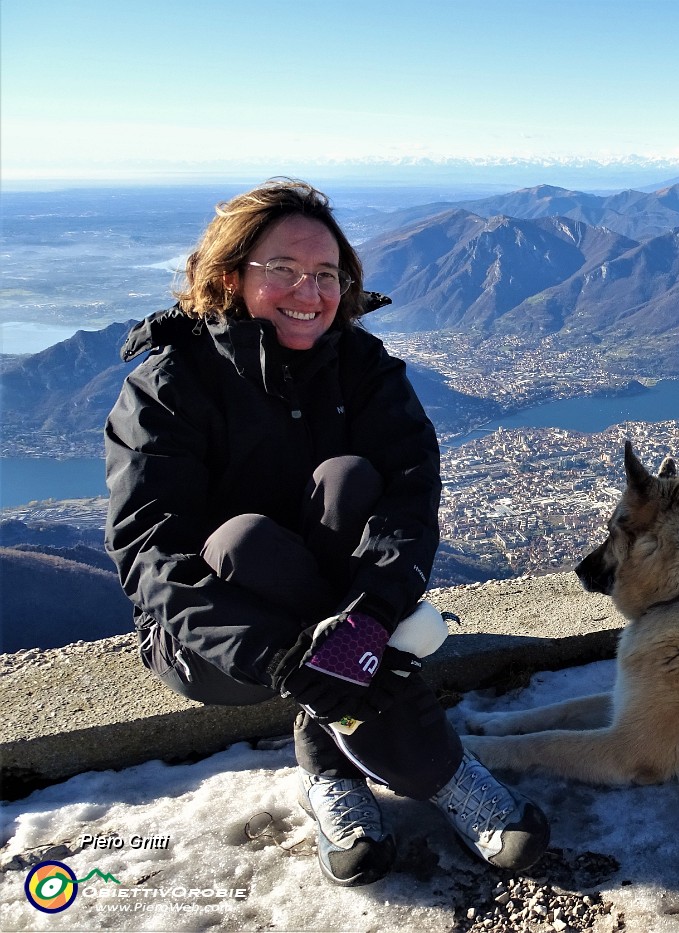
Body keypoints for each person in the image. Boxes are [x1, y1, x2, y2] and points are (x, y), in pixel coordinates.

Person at [104, 178, 549, 886]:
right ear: (230, 276)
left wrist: (369, 618)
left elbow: (410, 494)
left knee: (350, 479)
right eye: (281, 269)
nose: (308, 292)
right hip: (211, 646)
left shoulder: (361, 368)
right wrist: (288, 659)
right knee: (247, 540)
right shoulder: (169, 387)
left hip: (345, 620)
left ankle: (326, 763)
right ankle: (439, 771)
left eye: (325, 275)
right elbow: (151, 556)